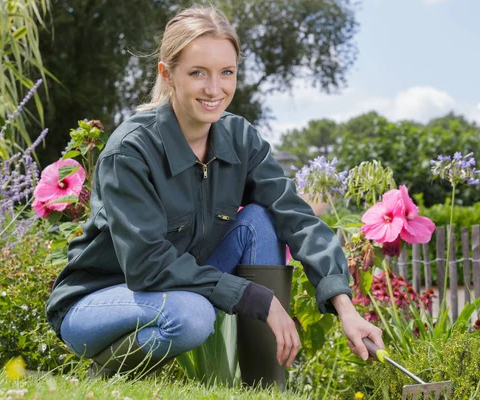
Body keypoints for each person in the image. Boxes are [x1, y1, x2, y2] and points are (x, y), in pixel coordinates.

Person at [46, 5, 383, 382]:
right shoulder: (132, 150)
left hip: (178, 287)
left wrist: (345, 305)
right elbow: (145, 265)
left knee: (260, 221)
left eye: (227, 73)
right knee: (191, 316)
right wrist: (255, 297)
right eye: (197, 73)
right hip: (99, 299)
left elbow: (296, 217)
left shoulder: (241, 139)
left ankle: (266, 387)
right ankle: (106, 372)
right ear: (167, 74)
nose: (214, 89)